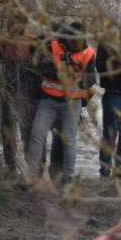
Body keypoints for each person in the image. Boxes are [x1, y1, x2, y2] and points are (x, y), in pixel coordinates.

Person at [25, 22, 95, 188]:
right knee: (37, 135)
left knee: (69, 140)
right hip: (48, 99)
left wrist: (79, 78)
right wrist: (63, 74)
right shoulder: (53, 45)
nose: (75, 44)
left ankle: (67, 178)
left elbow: (91, 80)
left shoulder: (88, 52)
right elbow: (39, 66)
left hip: (72, 102)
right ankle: (30, 177)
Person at [0, 9, 39, 173]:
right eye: (13, 24)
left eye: (18, 24)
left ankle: (31, 170)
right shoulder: (2, 42)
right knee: (9, 131)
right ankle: (12, 169)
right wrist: (1, 83)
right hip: (8, 92)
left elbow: (40, 68)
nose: (14, 28)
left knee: (28, 131)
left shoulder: (33, 42)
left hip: (27, 93)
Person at [94, 11, 121, 179]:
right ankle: (104, 169)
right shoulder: (108, 42)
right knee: (110, 133)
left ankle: (120, 170)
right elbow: (100, 66)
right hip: (114, 93)